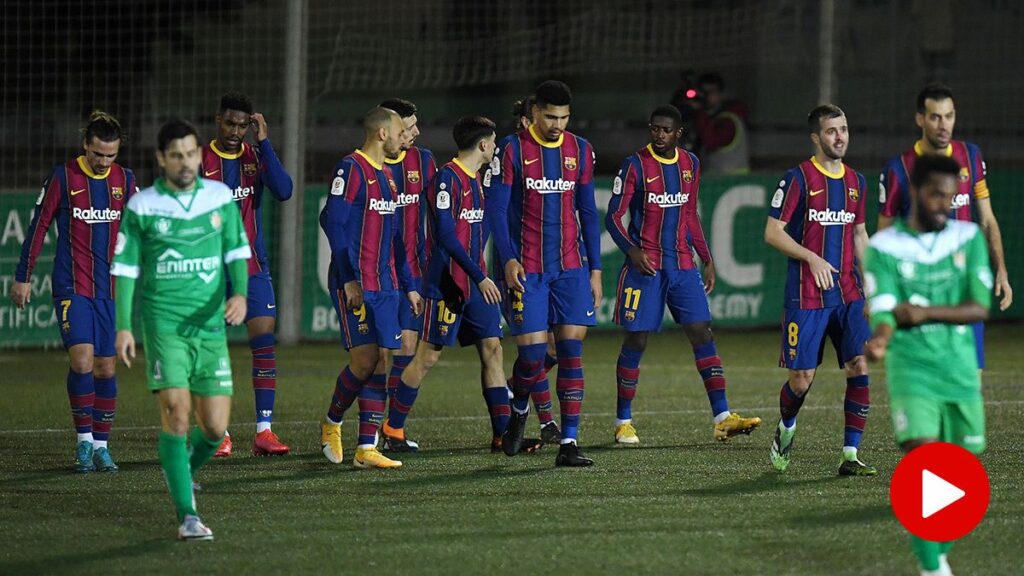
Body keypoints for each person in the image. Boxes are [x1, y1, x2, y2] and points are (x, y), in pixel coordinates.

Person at [112, 118, 251, 540]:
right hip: (164, 325)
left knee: (213, 428)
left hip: (210, 328)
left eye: (192, 153)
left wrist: (240, 294)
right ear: (162, 159)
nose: (186, 162)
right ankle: (188, 515)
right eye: (177, 155)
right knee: (176, 414)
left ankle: (182, 473)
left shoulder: (219, 197)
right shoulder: (143, 206)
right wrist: (123, 327)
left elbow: (236, 251)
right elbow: (127, 269)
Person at [865, 154, 991, 576]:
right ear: (916, 192)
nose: (945, 204)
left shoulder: (968, 237)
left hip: (958, 370)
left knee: (963, 474)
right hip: (912, 369)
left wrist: (922, 313)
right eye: (937, 195)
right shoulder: (884, 247)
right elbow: (883, 309)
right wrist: (881, 341)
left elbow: (978, 307)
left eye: (951, 198)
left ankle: (935, 552)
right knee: (924, 461)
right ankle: (932, 568)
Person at [605, 105, 761, 444]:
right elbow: (613, 218)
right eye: (654, 128)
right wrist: (632, 251)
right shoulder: (635, 166)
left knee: (701, 332)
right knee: (637, 339)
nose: (659, 134)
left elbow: (690, 216)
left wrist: (707, 258)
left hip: (682, 266)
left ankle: (722, 417)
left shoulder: (690, 165)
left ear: (678, 133)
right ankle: (622, 422)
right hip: (645, 268)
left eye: (665, 130)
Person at [12, 111, 135, 473]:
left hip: (111, 290)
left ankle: (101, 446)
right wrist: (24, 276)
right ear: (86, 145)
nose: (103, 162)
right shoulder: (63, 177)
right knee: (82, 361)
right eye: (98, 154)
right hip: (72, 286)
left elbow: (141, 229)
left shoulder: (126, 180)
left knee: (106, 368)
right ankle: (83, 443)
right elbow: (38, 227)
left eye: (110, 155)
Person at [487, 80, 602, 467]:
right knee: (533, 356)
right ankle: (520, 408)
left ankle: (569, 443)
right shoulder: (512, 148)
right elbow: (497, 210)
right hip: (529, 271)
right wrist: (507, 258)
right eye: (551, 116)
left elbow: (587, 211)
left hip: (571, 269)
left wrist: (596, 270)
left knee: (571, 352)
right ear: (534, 112)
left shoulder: (580, 151)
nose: (558, 124)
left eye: (564, 117)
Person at [386, 116, 512, 453]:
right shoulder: (447, 180)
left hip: (477, 284)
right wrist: (479, 275)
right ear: (483, 144)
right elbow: (445, 237)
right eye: (494, 141)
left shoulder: (478, 181)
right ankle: (393, 428)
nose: (496, 147)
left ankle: (504, 434)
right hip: (448, 284)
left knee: (493, 349)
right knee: (427, 357)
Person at [763, 104, 876, 476]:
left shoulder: (857, 182)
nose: (840, 136)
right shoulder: (797, 179)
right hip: (806, 295)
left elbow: (860, 234)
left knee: (858, 364)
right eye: (832, 131)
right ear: (816, 138)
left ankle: (850, 454)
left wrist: (874, 285)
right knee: (802, 379)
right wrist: (812, 258)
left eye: (844, 129)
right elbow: (772, 233)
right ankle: (786, 428)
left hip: (848, 292)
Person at [877, 83, 1012, 374]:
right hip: (917, 283)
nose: (944, 125)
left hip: (962, 282)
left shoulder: (971, 156)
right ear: (920, 119)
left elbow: (987, 219)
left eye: (949, 116)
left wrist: (1000, 268)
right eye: (936, 117)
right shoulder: (899, 168)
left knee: (969, 374)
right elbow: (884, 236)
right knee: (925, 375)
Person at [318, 107, 422, 470]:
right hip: (358, 282)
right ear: (382, 134)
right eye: (398, 133)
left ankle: (366, 448)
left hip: (387, 283)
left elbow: (395, 241)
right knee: (364, 361)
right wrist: (348, 278)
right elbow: (332, 220)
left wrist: (409, 286)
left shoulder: (389, 178)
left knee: (382, 358)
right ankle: (332, 423)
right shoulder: (352, 169)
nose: (403, 139)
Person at [201, 91, 293, 457]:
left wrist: (265, 142)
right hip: (208, 272)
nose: (235, 131)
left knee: (264, 341)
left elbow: (284, 190)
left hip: (252, 268)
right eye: (230, 123)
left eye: (242, 125)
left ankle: (264, 431)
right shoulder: (199, 160)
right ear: (217, 120)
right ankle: (217, 431)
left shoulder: (255, 158)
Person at [485, 94, 557, 449]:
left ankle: (516, 391)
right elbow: (494, 214)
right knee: (535, 346)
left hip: (549, 268)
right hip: (516, 268)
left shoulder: (551, 159)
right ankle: (544, 421)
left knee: (553, 349)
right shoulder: (508, 158)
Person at [376, 98, 437, 453]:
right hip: (377, 273)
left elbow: (438, 211)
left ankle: (391, 429)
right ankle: (364, 428)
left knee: (408, 347)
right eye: (409, 127)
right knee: (377, 354)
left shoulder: (423, 161)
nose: (416, 133)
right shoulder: (367, 163)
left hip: (414, 271)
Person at [692, 72, 750, 174]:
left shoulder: (728, 120)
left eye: (711, 92)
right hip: (720, 182)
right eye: (703, 92)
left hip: (732, 182)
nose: (706, 97)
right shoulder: (712, 118)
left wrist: (700, 112)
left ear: (721, 94)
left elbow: (711, 141)